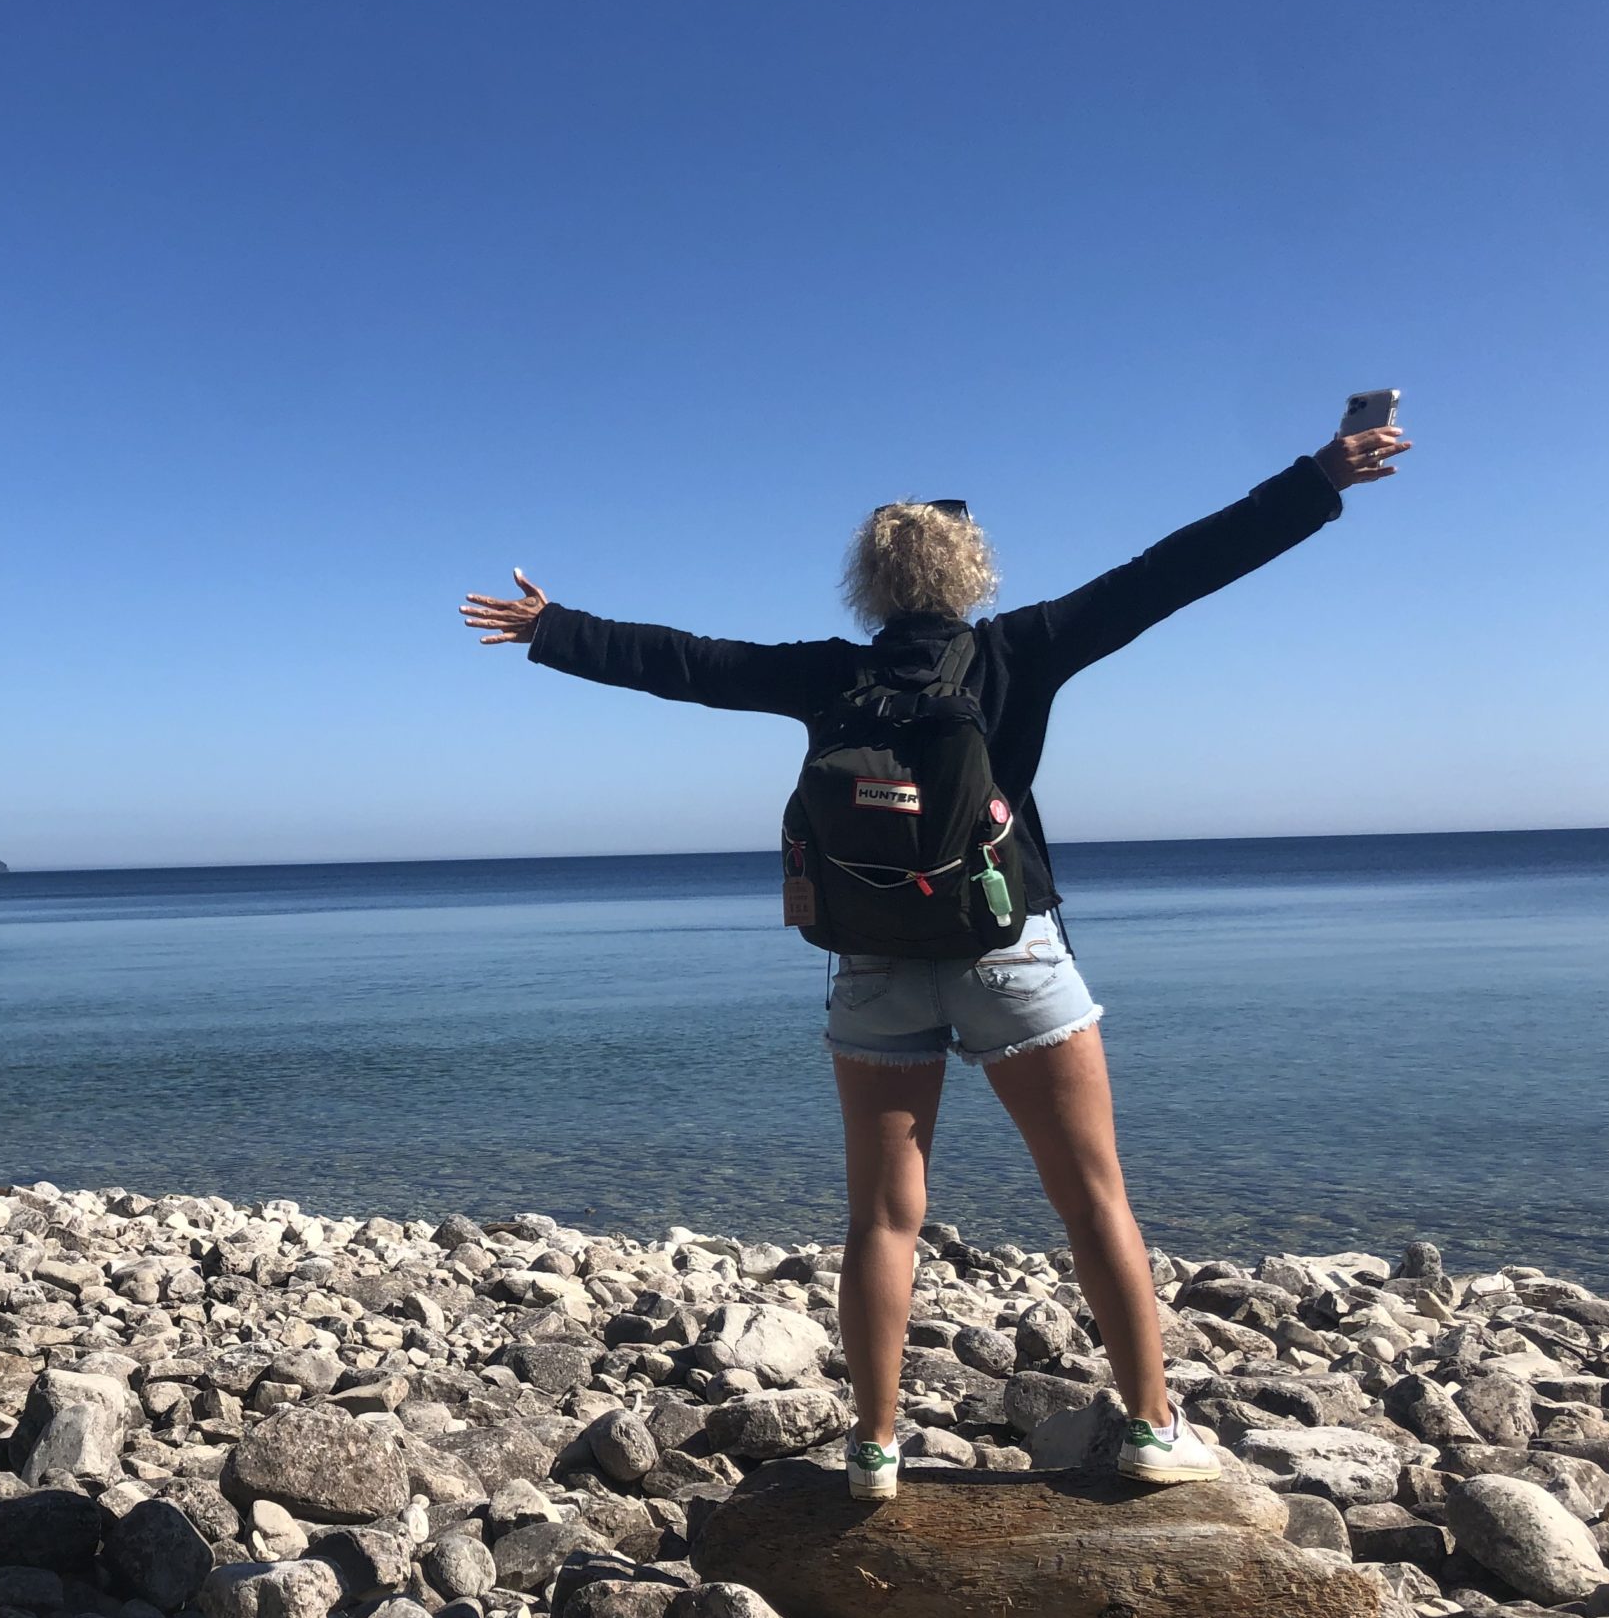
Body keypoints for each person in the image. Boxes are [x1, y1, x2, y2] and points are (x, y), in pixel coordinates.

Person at [460, 421, 1409, 1498]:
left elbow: (686, 664)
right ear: (969, 576)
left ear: (868, 585)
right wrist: (1318, 479)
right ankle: (1150, 1426)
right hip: (1011, 950)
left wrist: (555, 628)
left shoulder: (831, 679)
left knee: (880, 1217)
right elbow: (1174, 569)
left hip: (869, 962)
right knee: (1093, 1201)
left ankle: (872, 1449)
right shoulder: (1020, 650)